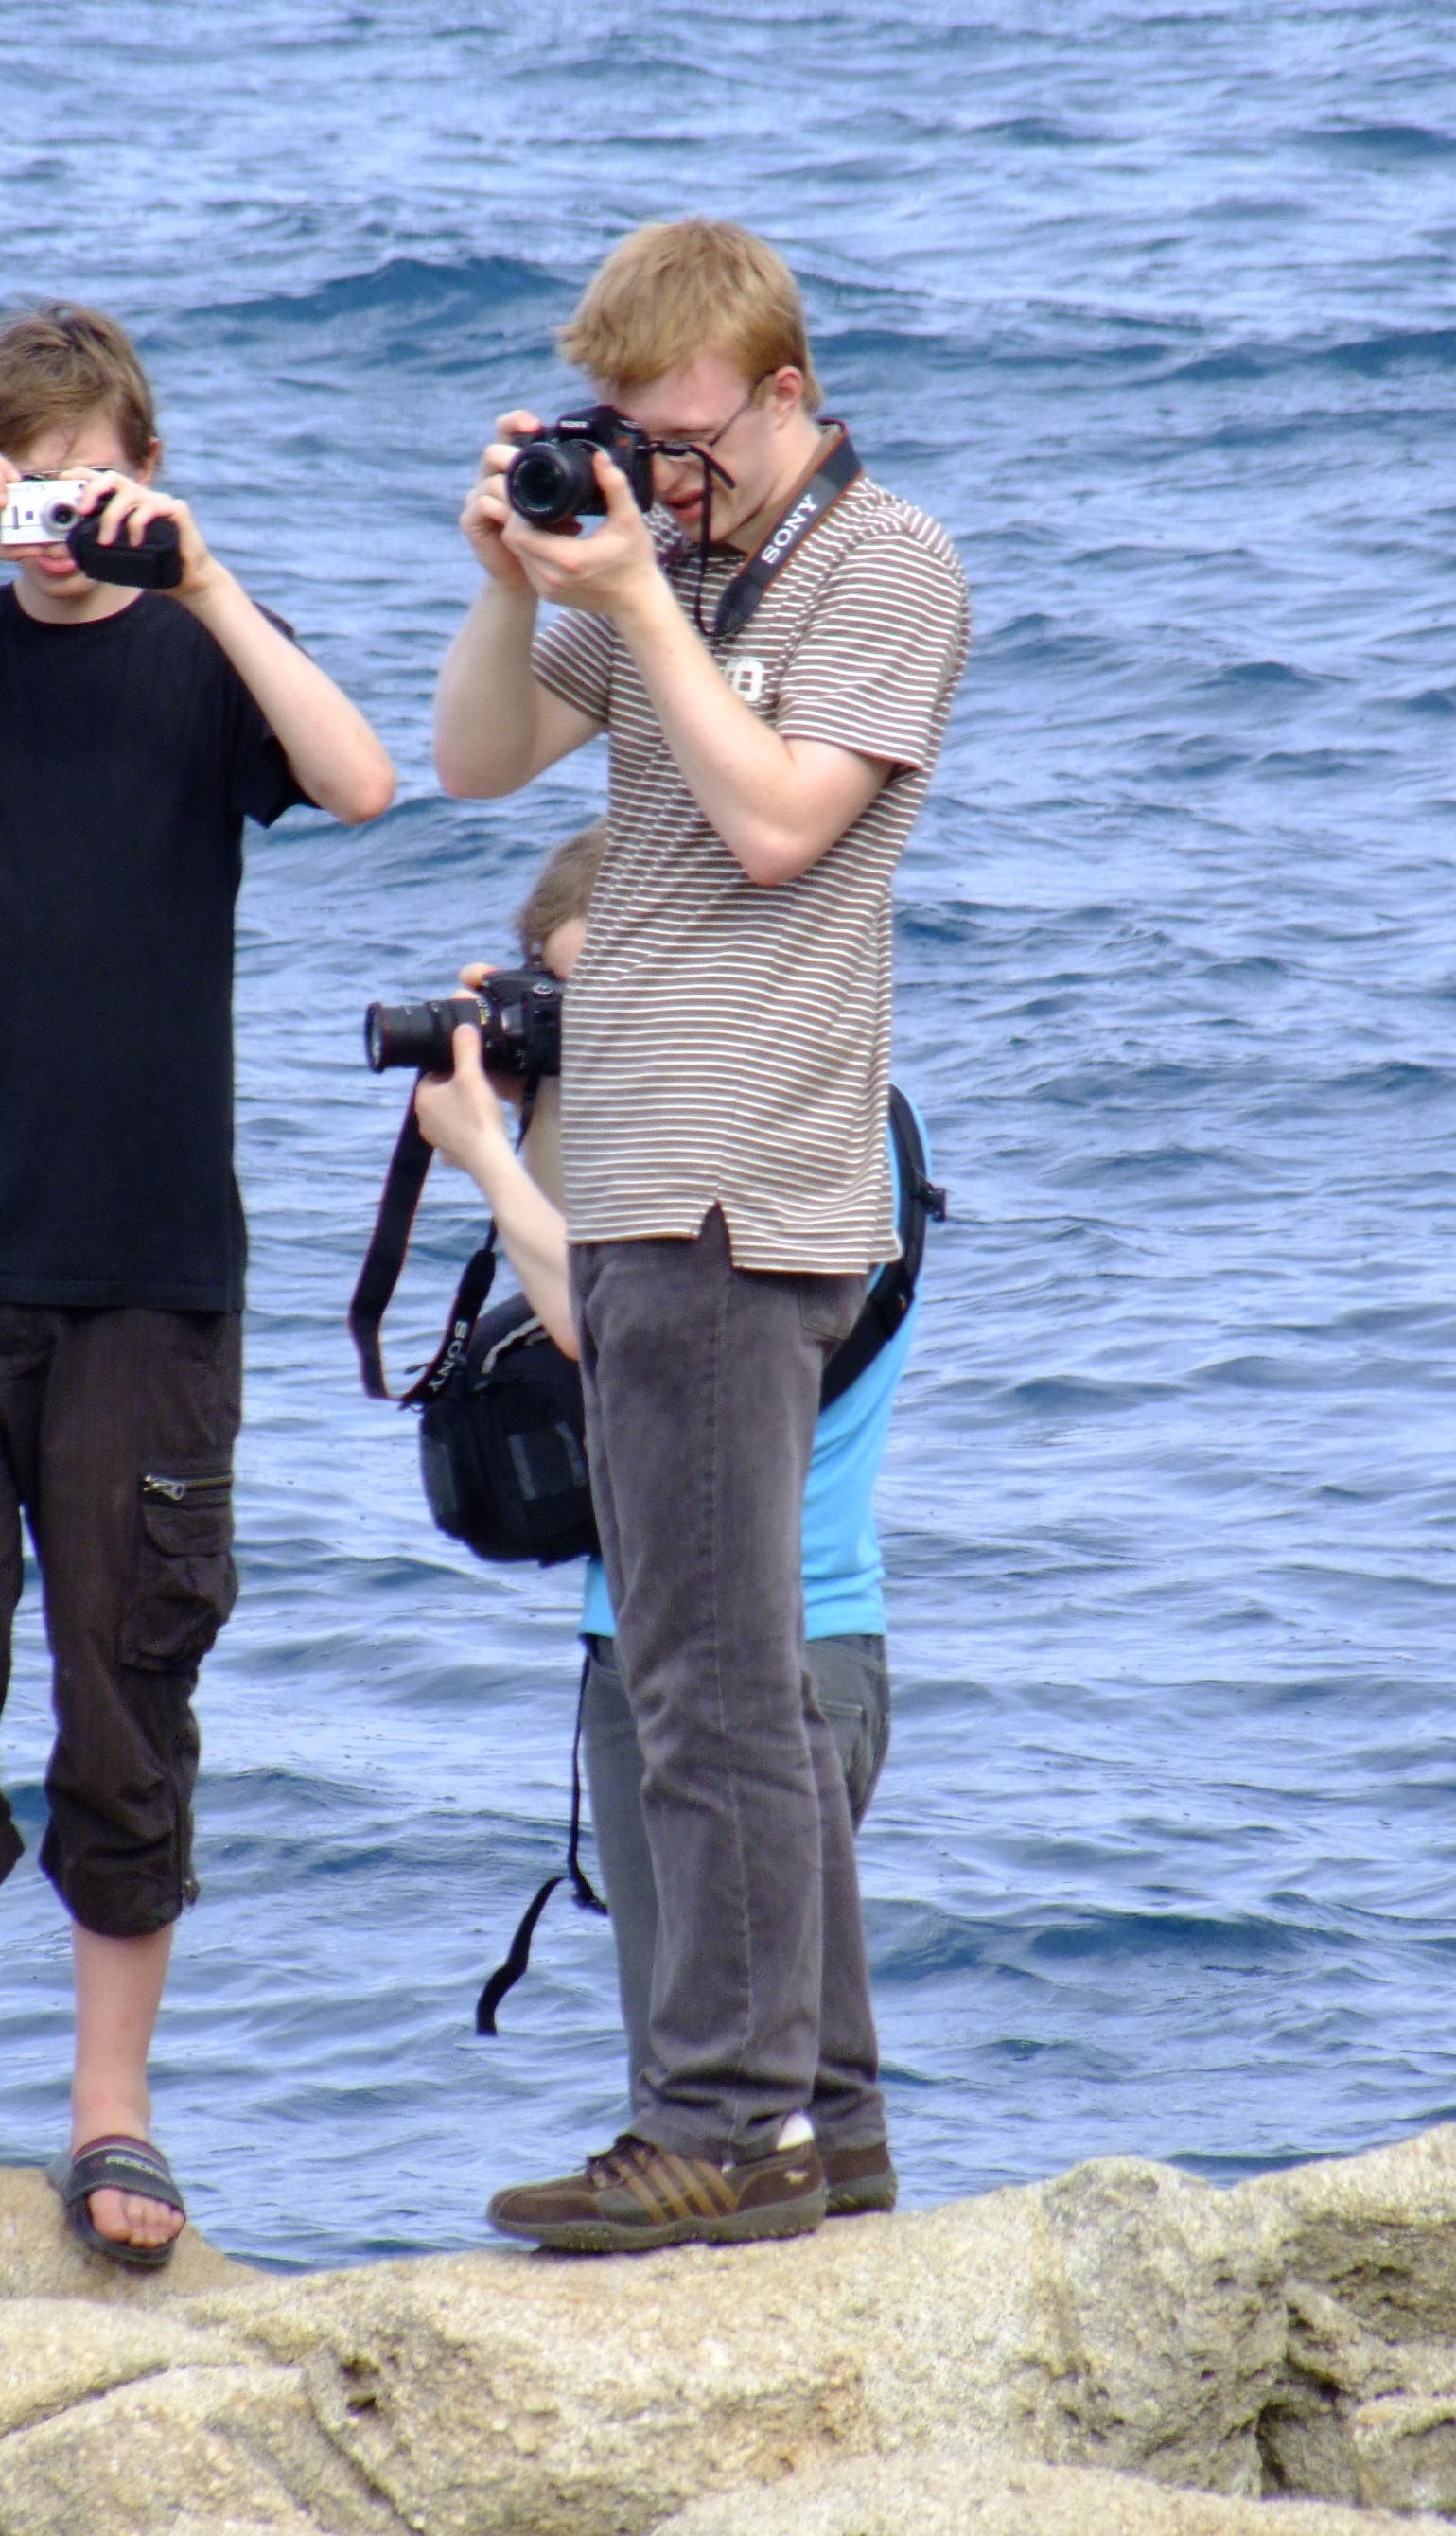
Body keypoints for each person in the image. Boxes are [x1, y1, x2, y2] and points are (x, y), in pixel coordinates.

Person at [0, 302, 394, 2263]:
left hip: (144, 1262)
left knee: (131, 1682)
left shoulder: (203, 656)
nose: (60, 522)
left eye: (90, 482)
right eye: (26, 486)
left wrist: (207, 578)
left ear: (147, 471)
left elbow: (365, 781)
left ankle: (115, 2112)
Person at [430, 220, 970, 2249]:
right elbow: (478, 760)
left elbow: (776, 824)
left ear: (785, 394)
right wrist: (516, 580)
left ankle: (725, 2126)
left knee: (711, 1689)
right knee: (723, 1675)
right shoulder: (676, 559)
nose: (662, 476)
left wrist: (644, 597)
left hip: (744, 1180)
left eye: (687, 439)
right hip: (644, 1176)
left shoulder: (881, 563)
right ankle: (831, 2124)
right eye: (628, 441)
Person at [412, 824, 922, 2205]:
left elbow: (620, 1334)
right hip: (705, 1636)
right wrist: (535, 1100)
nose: (607, 1031)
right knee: (772, 2074)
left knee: (709, 2087)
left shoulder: (796, 1141)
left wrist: (490, 1162)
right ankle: (824, 2155)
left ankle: (733, 2170)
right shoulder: (737, 1125)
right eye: (574, 1001)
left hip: (770, 1640)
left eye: (622, 994)